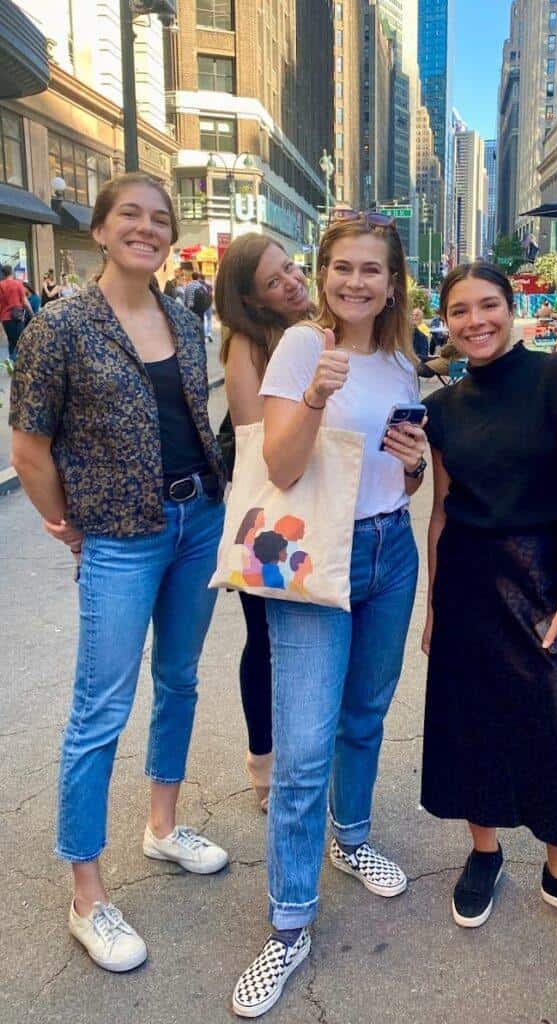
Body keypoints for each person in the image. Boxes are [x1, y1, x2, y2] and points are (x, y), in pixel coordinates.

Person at [9, 172, 228, 974]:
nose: (147, 228)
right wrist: (67, 522)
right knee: (98, 709)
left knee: (179, 681)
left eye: (161, 219)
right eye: (130, 215)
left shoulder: (179, 315)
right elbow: (28, 446)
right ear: (99, 230)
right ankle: (87, 895)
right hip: (122, 538)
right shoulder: (60, 326)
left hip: (196, 521)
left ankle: (163, 827)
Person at [232, 210, 427, 1018]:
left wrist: (413, 471)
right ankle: (287, 924)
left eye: (370, 270)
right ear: (323, 275)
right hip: (316, 553)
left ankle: (349, 840)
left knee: (364, 717)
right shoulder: (303, 347)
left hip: (388, 550)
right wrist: (312, 395)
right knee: (304, 746)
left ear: (391, 282)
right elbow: (279, 463)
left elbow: (398, 474)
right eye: (342, 267)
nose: (355, 281)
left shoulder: (402, 358)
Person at [420, 260, 557, 941]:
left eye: (487, 305)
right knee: (469, 722)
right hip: (464, 579)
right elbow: (439, 511)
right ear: (447, 323)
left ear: (511, 310)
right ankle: (483, 853)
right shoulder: (440, 409)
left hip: (541, 574)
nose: (474, 321)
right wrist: (432, 606)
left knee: (554, 719)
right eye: (459, 311)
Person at [214, 232, 313, 811]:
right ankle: (264, 767)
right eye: (272, 282)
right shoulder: (247, 347)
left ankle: (302, 760)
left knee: (310, 642)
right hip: (270, 517)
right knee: (267, 640)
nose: (290, 282)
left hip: (316, 508)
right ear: (250, 299)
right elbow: (257, 443)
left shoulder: (315, 328)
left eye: (291, 268)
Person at [0, 264, 33, 361]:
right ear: (12, 272)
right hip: (17, 317)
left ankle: (12, 364)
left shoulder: (0, 285)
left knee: (11, 342)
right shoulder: (18, 284)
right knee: (20, 341)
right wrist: (32, 314)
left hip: (5, 318)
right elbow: (25, 302)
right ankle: (20, 364)